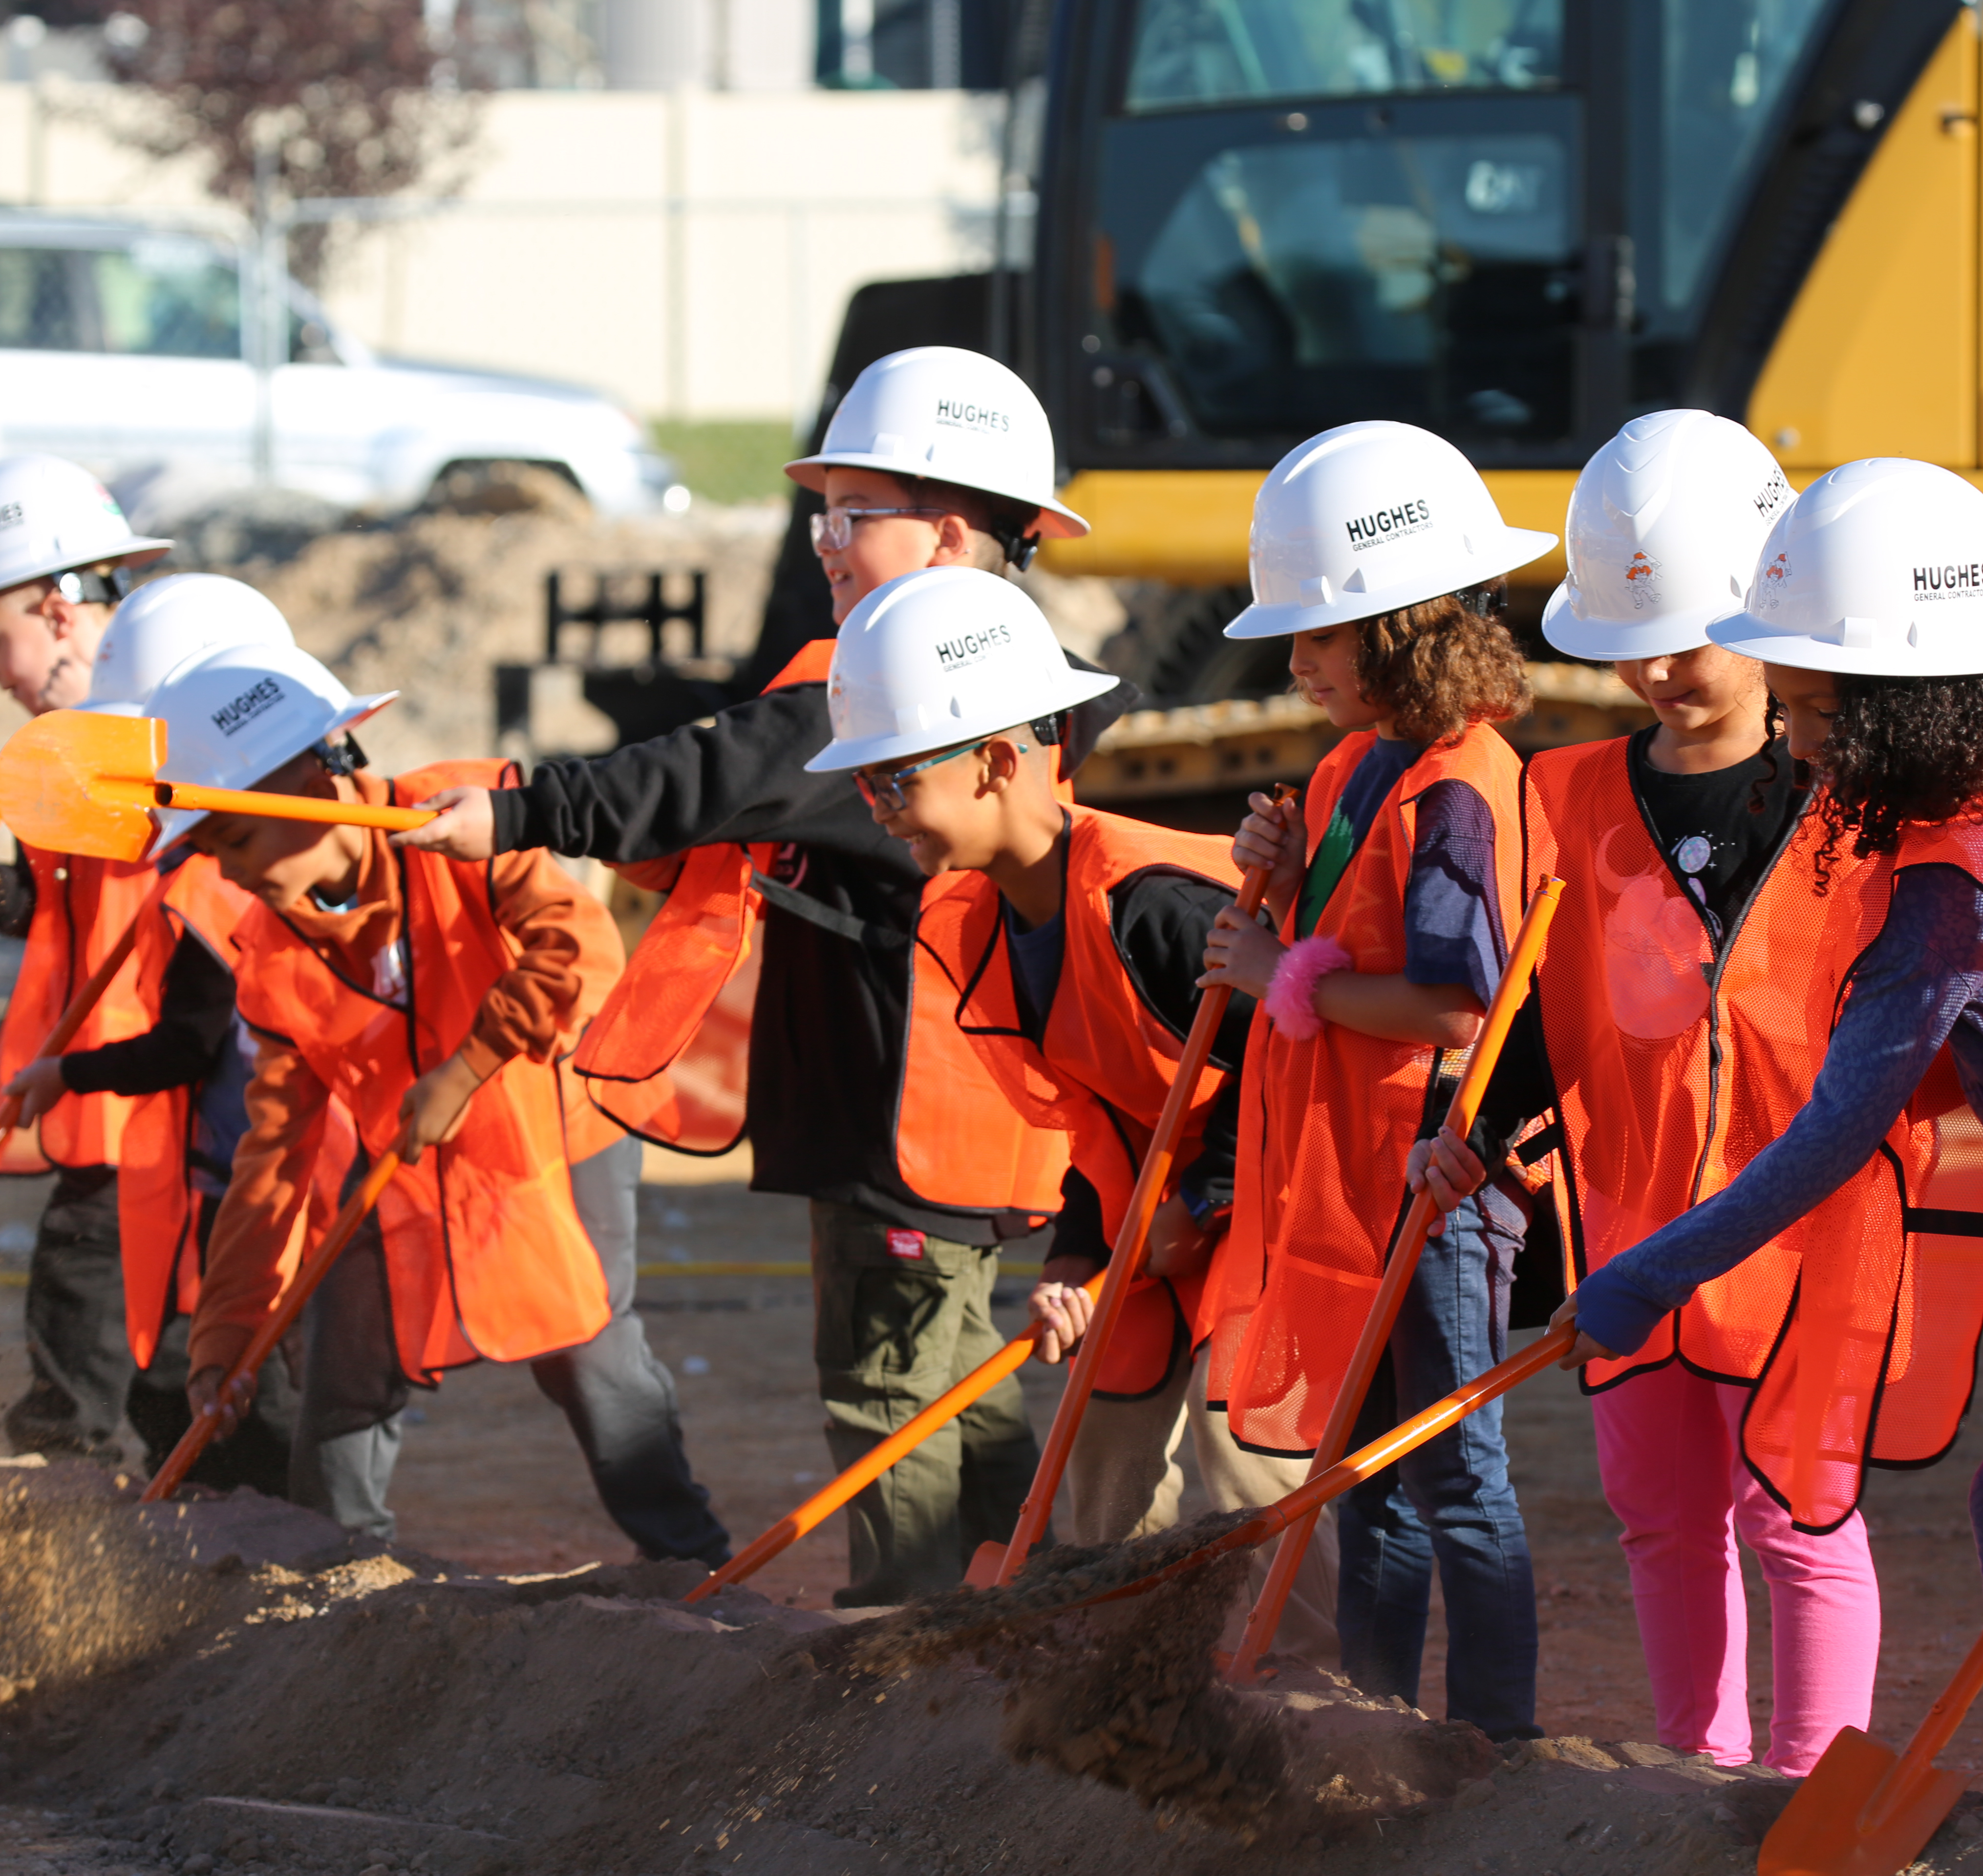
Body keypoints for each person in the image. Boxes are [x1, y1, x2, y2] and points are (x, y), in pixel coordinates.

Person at [1514, 456, 1983, 1814]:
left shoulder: (1950, 894)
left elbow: (1828, 1141)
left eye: (1812, 712)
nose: (1794, 743)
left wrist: (1646, 1274)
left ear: (1893, 715)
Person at [395, 348, 1127, 1605]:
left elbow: (695, 774)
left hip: (904, 1124)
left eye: (854, 515)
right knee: (967, 1387)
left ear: (950, 534)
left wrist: (515, 812)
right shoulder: (1024, 681)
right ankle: (1036, 1615)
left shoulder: (896, 697)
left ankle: (908, 1635)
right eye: (820, 511)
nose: (826, 542)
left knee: (892, 1392)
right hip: (983, 1125)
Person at [1488, 410, 1918, 1776]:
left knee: (1794, 1511)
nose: (1661, 670)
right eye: (1632, 643)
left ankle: (1805, 1789)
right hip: (1630, 1221)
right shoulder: (1569, 793)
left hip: (1799, 1229)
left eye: (1689, 634)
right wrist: (1487, 1127)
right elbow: (1539, 995)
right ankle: (1694, 1778)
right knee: (1663, 1514)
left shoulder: (1843, 794)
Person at [149, 643, 728, 1561]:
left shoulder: (461, 824)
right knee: (345, 1360)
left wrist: (465, 1071)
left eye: (238, 838)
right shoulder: (270, 959)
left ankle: (694, 1560)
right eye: (212, 853)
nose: (230, 877)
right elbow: (272, 1162)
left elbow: (579, 952)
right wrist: (222, 1340)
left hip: (558, 1134)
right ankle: (335, 1578)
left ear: (320, 779)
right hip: (408, 1160)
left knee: (587, 1350)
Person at [1195, 419, 1551, 1733]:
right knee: (1370, 1478)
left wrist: (1277, 979)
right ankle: (1375, 1725)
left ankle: (1496, 1748)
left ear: (1402, 627)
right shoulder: (1364, 765)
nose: (1294, 661)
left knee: (1457, 1472)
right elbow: (1369, 921)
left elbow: (1459, 1006)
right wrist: (1293, 884)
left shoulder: (1460, 789)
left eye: (1317, 637)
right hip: (1358, 1177)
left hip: (1433, 1180)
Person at [803, 564, 1251, 1557]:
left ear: (999, 761)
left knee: (1256, 1498)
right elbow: (1107, 1119)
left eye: (894, 777)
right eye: (865, 781)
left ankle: (1296, 1710)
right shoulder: (987, 925)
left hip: (1263, 1224)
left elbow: (1291, 1084)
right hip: (1152, 1235)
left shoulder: (1156, 907)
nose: (873, 804)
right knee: (1099, 1504)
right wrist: (1074, 1261)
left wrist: (1206, 1206)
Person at [0, 574, 306, 1492]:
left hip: (221, 1135)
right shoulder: (179, 829)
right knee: (179, 1348)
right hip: (174, 1124)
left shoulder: (226, 875)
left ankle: (294, 1531)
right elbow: (67, 910)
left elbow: (201, 1029)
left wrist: (77, 1075)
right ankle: (208, 1498)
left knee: (252, 1349)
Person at [0, 453, 196, 1462]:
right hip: (111, 1085)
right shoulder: (61, 751)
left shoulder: (182, 726)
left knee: (102, 1302)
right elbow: (74, 903)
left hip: (175, 1086)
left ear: (62, 615)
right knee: (154, 1332)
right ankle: (190, 1508)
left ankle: (69, 1500)